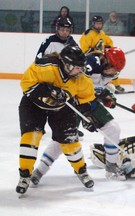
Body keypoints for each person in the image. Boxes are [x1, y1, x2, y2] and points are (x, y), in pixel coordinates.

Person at [30, 47, 135, 186]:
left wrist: (107, 96)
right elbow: (78, 85)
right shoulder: (91, 62)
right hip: (71, 104)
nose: (113, 72)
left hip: (88, 103)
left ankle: (111, 167)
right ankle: (40, 170)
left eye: (116, 70)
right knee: (62, 139)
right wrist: (99, 92)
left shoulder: (109, 72)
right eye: (112, 68)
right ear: (105, 61)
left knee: (113, 128)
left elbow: (96, 89)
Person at [16, 45, 95, 194]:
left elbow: (86, 100)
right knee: (31, 137)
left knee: (70, 140)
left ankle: (81, 170)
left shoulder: (81, 79)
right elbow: (26, 84)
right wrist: (49, 90)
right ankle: (25, 175)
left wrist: (88, 117)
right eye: (78, 68)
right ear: (67, 64)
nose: (81, 71)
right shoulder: (45, 67)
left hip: (62, 108)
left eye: (81, 67)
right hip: (33, 105)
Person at [80, 15, 126, 93]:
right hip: (91, 58)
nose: (99, 25)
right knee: (95, 74)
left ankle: (116, 85)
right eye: (97, 24)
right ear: (93, 24)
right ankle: (94, 86)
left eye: (100, 24)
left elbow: (109, 42)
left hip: (101, 57)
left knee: (113, 67)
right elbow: (85, 50)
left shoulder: (102, 33)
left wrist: (108, 49)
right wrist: (95, 50)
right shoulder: (87, 34)